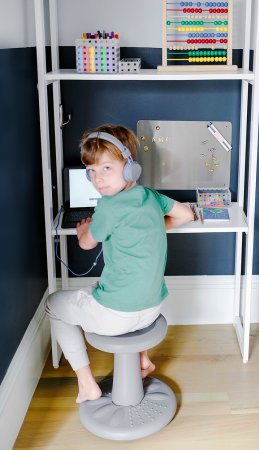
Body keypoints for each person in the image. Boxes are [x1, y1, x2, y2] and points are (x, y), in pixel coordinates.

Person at [46, 124, 194, 404]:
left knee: (54, 305)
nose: (97, 179)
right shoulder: (151, 196)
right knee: (100, 286)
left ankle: (87, 384)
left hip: (117, 316)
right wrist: (151, 225)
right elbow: (186, 214)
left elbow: (87, 243)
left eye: (106, 169)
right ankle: (142, 360)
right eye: (90, 171)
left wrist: (82, 231)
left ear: (130, 167)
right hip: (152, 309)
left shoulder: (109, 206)